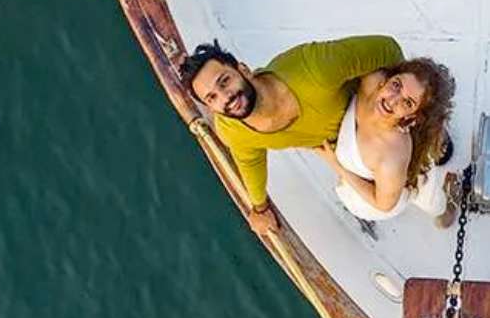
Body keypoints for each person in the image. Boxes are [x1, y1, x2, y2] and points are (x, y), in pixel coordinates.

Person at [180, 35, 405, 234]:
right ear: (211, 109)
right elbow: (250, 161)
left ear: (244, 70)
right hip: (343, 149)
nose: (225, 97)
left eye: (224, 81)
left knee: (390, 190)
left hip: (374, 116)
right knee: (371, 201)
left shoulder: (316, 67)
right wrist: (260, 208)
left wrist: (386, 109)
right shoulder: (232, 131)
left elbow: (388, 49)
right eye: (212, 98)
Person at [318, 58, 457, 227]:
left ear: (412, 116)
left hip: (380, 194)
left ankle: (446, 207)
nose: (391, 100)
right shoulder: (371, 81)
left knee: (427, 195)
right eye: (396, 85)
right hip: (358, 183)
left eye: (408, 102)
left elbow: (383, 204)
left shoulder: (393, 156)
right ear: (387, 78)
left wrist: (337, 166)